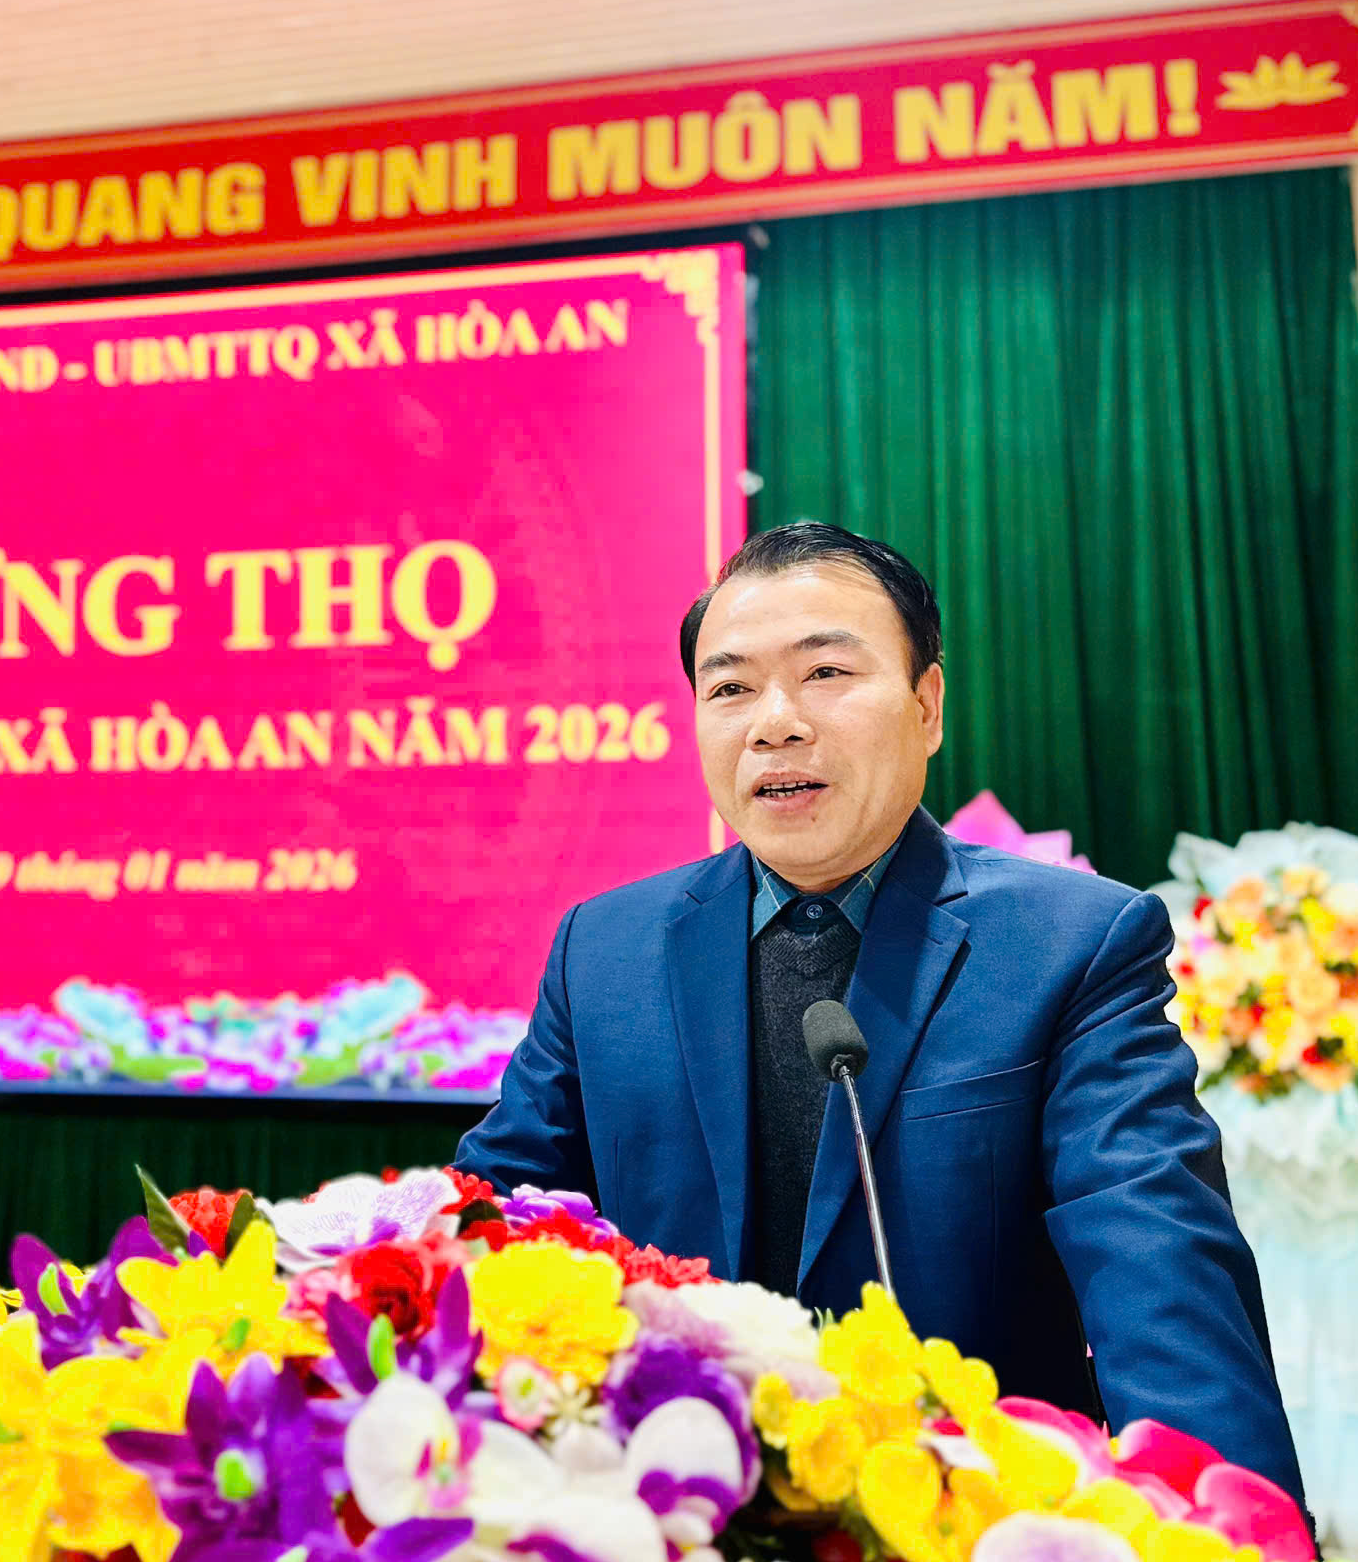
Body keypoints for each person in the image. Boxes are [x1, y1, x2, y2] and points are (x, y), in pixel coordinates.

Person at [455, 521, 1303, 1502]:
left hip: (961, 1523)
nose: (774, 723)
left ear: (926, 705)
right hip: (672, 1515)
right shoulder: (603, 948)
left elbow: (1157, 1268)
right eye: (729, 689)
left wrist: (1240, 1544)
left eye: (825, 673)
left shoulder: (1072, 944)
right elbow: (496, 1216)